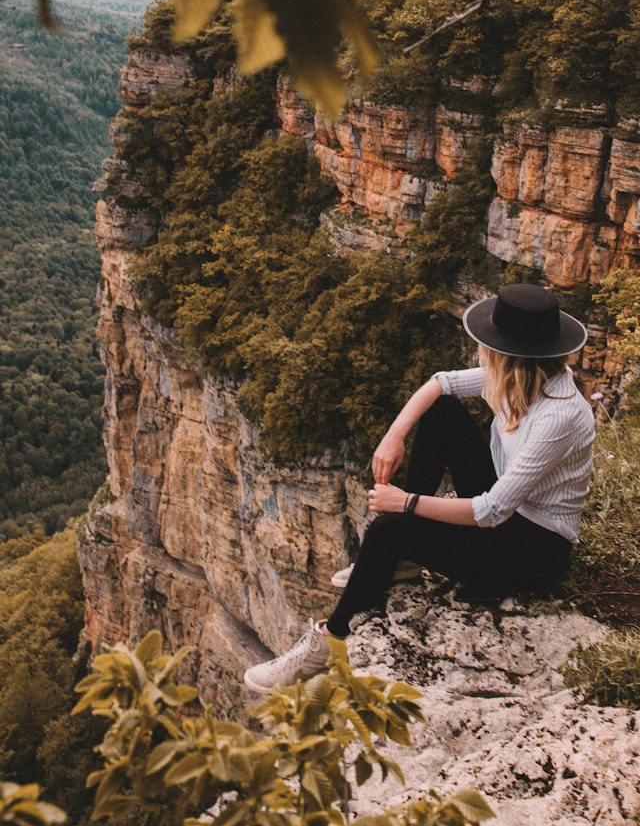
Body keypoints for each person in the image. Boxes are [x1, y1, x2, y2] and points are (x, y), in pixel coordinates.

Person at [243, 283, 595, 693]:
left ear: (508, 356)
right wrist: (394, 434)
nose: (484, 352)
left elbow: (491, 510)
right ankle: (403, 561)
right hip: (510, 509)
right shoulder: (521, 379)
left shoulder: (558, 416)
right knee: (441, 412)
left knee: (389, 530)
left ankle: (331, 638)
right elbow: (441, 383)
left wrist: (406, 503)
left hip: (532, 551)